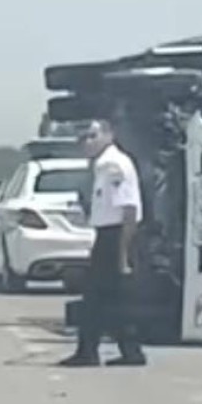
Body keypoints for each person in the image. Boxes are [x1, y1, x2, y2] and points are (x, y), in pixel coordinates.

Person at [59, 119, 147, 367]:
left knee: (98, 297)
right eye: (82, 138)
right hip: (108, 235)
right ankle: (126, 351)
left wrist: (123, 253)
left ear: (109, 135)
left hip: (116, 237)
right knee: (109, 299)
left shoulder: (113, 165)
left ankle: (91, 352)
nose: (86, 142)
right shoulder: (102, 166)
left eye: (92, 136)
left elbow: (129, 210)